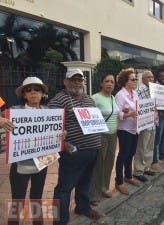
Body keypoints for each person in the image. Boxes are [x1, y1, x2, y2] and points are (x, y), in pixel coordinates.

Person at [7, 77, 65, 225]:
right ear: (24, 94)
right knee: (17, 200)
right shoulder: (14, 111)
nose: (33, 92)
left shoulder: (49, 112)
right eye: (29, 90)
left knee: (37, 196)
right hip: (20, 165)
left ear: (42, 94)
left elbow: (56, 131)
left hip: (41, 163)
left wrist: (61, 134)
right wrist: (1, 121)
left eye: (37, 90)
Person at [48, 69, 103, 225]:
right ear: (66, 82)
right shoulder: (58, 100)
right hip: (73, 152)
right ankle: (59, 221)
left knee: (85, 182)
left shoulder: (89, 99)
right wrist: (63, 143)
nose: (77, 83)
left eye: (80, 80)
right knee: (64, 188)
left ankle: (82, 207)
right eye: (73, 80)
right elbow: (51, 126)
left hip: (92, 150)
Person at [89, 74, 120, 205]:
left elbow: (116, 114)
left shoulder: (113, 98)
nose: (109, 84)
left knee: (108, 163)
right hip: (100, 135)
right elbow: (89, 116)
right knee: (98, 166)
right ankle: (93, 195)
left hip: (113, 135)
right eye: (106, 81)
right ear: (101, 83)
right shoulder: (95, 98)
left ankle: (104, 188)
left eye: (112, 82)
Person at [115, 68, 140, 195]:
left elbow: (139, 107)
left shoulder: (135, 94)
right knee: (123, 155)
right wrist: (129, 114)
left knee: (131, 153)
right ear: (125, 81)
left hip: (134, 128)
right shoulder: (120, 95)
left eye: (135, 79)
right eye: (133, 79)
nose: (135, 81)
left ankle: (128, 176)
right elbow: (117, 113)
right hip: (124, 129)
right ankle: (119, 182)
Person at [133, 70, 157, 182]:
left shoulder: (155, 90)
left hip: (153, 122)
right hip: (144, 124)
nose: (151, 79)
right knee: (141, 148)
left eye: (152, 77)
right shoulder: (139, 91)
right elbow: (139, 107)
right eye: (148, 77)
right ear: (143, 79)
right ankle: (138, 171)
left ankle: (146, 167)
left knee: (150, 147)